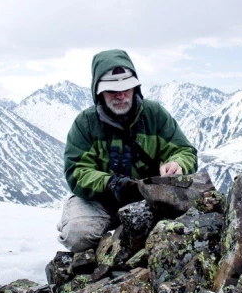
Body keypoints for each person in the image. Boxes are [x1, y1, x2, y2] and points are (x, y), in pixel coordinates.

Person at [57, 49, 198, 252]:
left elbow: (184, 150)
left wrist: (177, 164)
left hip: (149, 198)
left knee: (179, 232)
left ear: (136, 87)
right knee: (78, 236)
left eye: (127, 88)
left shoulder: (154, 115)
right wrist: (109, 183)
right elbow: (77, 172)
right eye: (112, 90)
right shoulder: (85, 123)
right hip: (99, 201)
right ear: (98, 91)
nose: (121, 95)